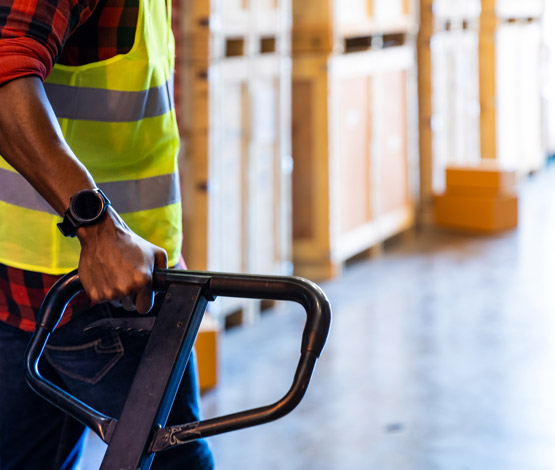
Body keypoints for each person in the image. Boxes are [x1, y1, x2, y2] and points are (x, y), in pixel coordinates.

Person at [0, 0, 214, 468]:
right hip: (103, 295)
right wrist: (98, 229)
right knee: (174, 460)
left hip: (32, 284)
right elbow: (5, 71)